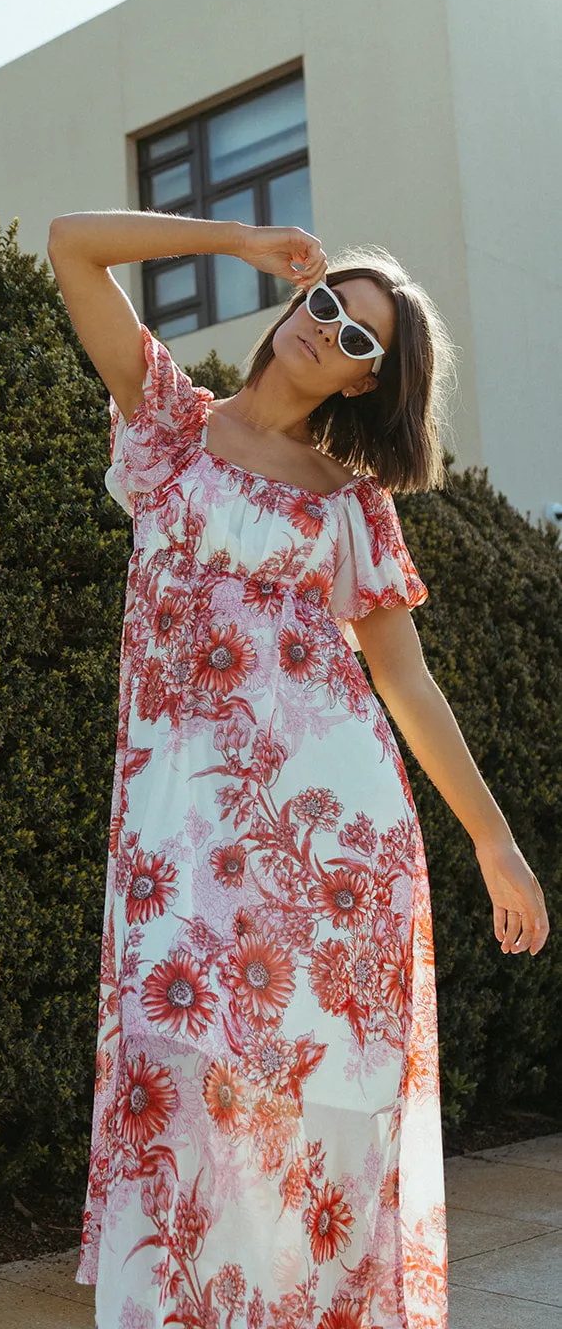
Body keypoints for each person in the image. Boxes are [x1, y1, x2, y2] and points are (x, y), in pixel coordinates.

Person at [47, 209, 549, 1329]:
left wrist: (491, 840)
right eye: (326, 305)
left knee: (316, 1121)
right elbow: (69, 243)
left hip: (334, 847)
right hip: (177, 843)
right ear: (294, 304)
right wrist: (231, 240)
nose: (328, 332)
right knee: (181, 1096)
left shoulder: (348, 502)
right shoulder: (168, 423)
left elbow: (406, 685)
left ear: (372, 383)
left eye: (359, 338)